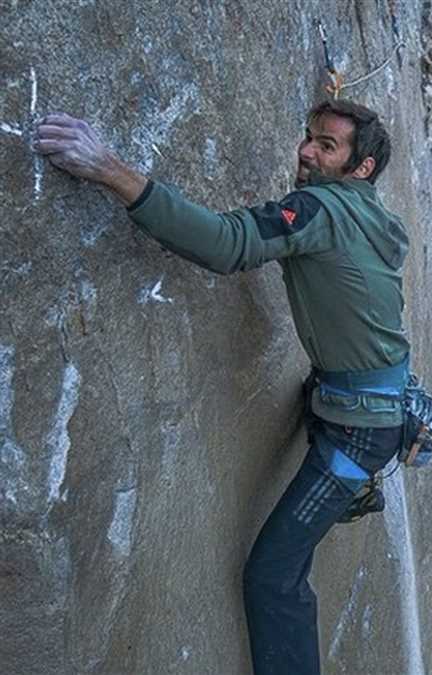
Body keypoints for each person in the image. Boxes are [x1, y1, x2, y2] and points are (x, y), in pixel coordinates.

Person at [34, 99, 411, 675]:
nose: (306, 151)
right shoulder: (372, 216)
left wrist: (111, 169)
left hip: (359, 433)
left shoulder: (318, 209)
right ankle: (351, 488)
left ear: (360, 168)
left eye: (326, 146)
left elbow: (227, 243)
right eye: (308, 137)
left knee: (272, 576)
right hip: (369, 403)